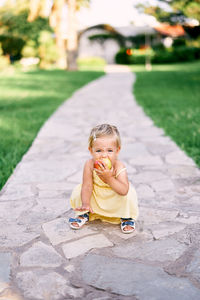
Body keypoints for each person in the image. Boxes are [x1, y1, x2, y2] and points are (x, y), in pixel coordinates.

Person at [69, 124, 139, 233]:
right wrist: (86, 203)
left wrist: (110, 178)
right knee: (79, 191)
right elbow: (87, 186)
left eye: (109, 150)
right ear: (91, 151)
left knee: (129, 195)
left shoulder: (118, 166)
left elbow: (123, 190)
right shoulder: (89, 164)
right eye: (98, 151)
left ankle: (126, 217)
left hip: (115, 195)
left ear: (117, 150)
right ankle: (85, 213)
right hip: (97, 194)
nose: (104, 155)